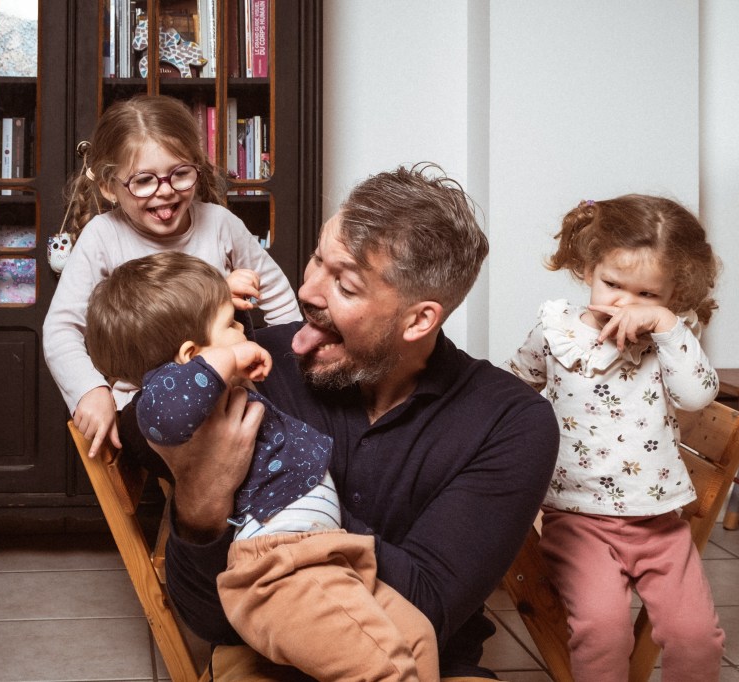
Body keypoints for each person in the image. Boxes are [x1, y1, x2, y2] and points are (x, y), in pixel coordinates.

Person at [117, 163, 560, 679]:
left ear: (420, 319)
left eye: (345, 285)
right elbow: (211, 619)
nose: (308, 291)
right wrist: (202, 496)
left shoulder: (509, 421)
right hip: (263, 658)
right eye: (316, 260)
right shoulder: (249, 367)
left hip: (417, 660)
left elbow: (426, 607)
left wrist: (304, 510)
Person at [86, 251, 438, 681]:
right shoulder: (168, 399)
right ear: (193, 354)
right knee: (379, 667)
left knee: (417, 635)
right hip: (279, 567)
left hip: (328, 555)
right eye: (231, 324)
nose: (244, 331)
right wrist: (224, 355)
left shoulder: (217, 388)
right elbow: (165, 409)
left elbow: (211, 358)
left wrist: (222, 313)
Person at [504, 195, 725, 681]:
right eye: (612, 285)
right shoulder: (555, 331)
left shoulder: (670, 341)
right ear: (587, 269)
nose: (626, 304)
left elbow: (697, 396)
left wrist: (667, 327)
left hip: (660, 522)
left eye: (648, 294)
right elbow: (514, 388)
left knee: (696, 635)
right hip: (578, 518)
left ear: (674, 292)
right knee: (603, 631)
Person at [43, 94, 301, 460]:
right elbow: (61, 329)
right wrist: (89, 389)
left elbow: (276, 295)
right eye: (143, 181)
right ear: (108, 186)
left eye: (180, 173)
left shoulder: (220, 224)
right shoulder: (103, 236)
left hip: (228, 396)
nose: (165, 190)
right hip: (148, 408)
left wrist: (291, 368)